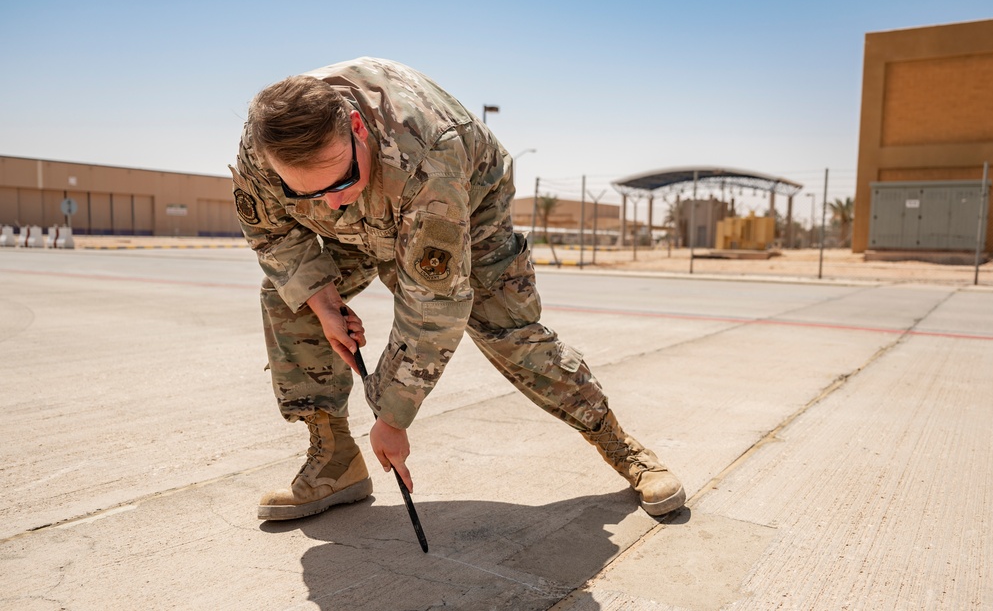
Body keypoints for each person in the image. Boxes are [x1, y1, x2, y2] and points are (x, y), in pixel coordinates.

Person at [230, 57, 685, 521]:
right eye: (306, 193)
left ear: (356, 128)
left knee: (508, 332)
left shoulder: (429, 151)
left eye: (340, 179)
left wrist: (392, 418)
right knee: (289, 299)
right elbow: (272, 235)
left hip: (466, 210)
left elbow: (433, 305)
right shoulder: (263, 148)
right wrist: (324, 303)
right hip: (364, 224)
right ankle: (335, 460)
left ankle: (624, 449)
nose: (331, 201)